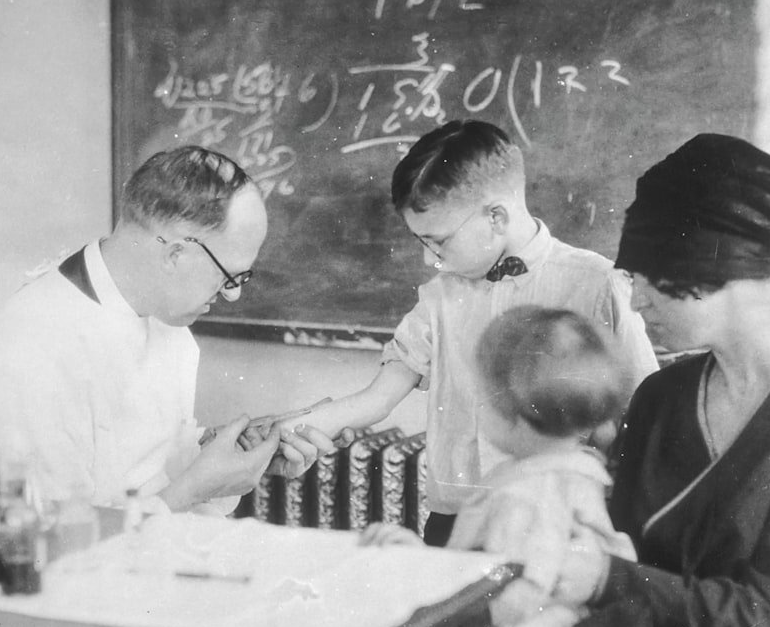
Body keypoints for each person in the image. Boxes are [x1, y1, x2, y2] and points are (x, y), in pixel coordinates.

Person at [264, 119, 658, 545]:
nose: (429, 259)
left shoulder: (597, 283)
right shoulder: (438, 297)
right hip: (455, 519)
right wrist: (285, 431)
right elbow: (376, 399)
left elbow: (645, 409)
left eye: (439, 242)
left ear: (497, 217)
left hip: (558, 519)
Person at [571, 134, 770, 627]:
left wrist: (605, 575)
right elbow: (627, 561)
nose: (635, 302)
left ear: (702, 272)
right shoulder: (660, 396)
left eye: (645, 280)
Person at [0, 146, 332, 515]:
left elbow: (142, 461)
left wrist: (228, 455)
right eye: (230, 276)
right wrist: (193, 490)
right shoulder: (32, 350)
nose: (233, 296)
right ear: (175, 255)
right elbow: (44, 540)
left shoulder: (162, 314)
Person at [361, 305, 637, 627]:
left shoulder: (525, 496)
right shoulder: (577, 474)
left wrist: (425, 584)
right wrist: (427, 561)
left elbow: (504, 597)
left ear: (512, 413)